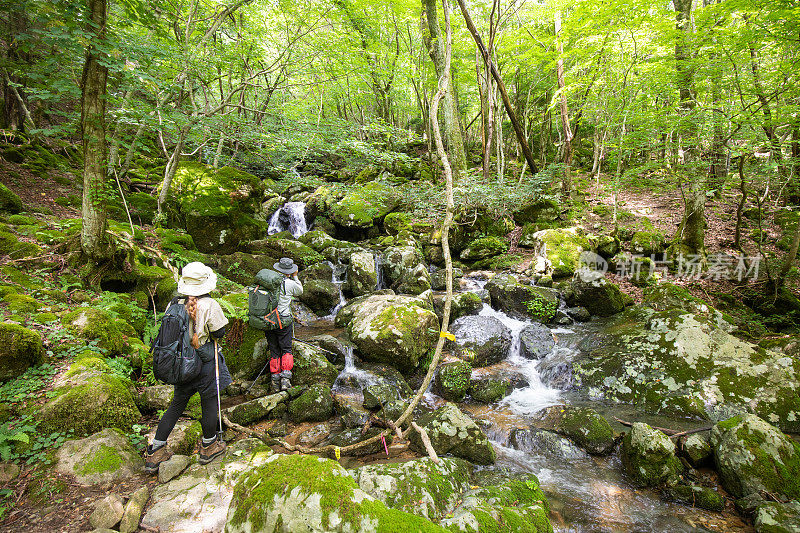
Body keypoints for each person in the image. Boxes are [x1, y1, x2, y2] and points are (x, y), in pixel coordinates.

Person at [144, 262, 232, 473]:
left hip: (181, 364)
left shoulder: (173, 304)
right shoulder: (209, 305)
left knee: (176, 405)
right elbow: (219, 332)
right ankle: (209, 446)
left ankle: (155, 451)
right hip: (203, 361)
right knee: (209, 402)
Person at [266, 257, 303, 393]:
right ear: (290, 271)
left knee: (274, 349)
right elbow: (300, 291)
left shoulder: (268, 281)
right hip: (283, 320)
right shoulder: (289, 283)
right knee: (286, 348)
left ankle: (274, 381)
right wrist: (296, 277)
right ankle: (285, 381)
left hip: (269, 320)